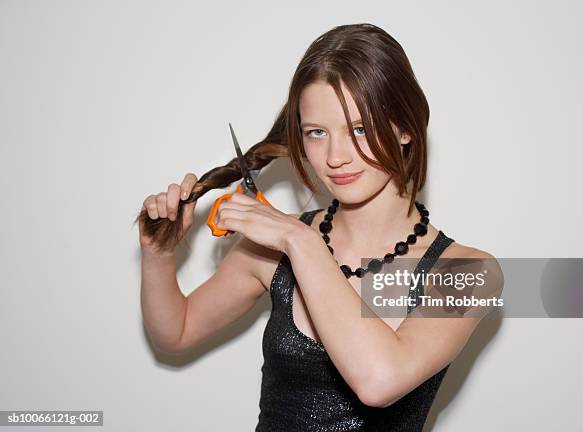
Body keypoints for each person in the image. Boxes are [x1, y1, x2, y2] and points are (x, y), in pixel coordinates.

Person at [135, 23, 503, 431]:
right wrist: (158, 254)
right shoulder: (274, 248)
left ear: (404, 128)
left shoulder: (468, 273)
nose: (335, 156)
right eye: (316, 133)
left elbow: (379, 381)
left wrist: (301, 242)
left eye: (359, 128)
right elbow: (177, 333)